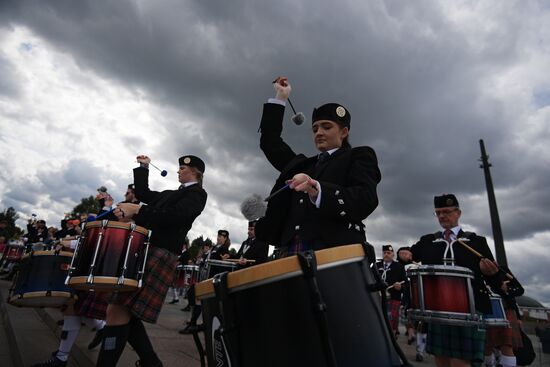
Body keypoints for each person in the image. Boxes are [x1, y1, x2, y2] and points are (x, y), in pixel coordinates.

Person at [95, 154, 207, 367]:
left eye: (183, 169)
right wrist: (143, 168)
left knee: (118, 307)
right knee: (125, 310)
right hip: (149, 250)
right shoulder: (171, 194)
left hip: (161, 253)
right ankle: (152, 362)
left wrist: (139, 210)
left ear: (195, 172)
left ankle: (149, 362)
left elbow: (176, 217)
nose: (178, 171)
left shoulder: (198, 194)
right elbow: (144, 193)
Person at [256, 76, 381, 255]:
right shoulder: (301, 165)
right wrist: (281, 97)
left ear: (344, 132)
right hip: (289, 253)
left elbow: (365, 199)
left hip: (335, 256)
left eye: (326, 127)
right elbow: (270, 142)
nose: (319, 133)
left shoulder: (359, 156)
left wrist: (316, 188)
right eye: (315, 129)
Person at [398, 194, 500, 367]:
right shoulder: (428, 241)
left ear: (458, 213)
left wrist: (490, 273)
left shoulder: (476, 242)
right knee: (442, 360)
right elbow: (408, 254)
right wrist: (403, 253)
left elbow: (494, 277)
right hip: (438, 309)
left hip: (469, 309)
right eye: (438, 213)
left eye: (446, 211)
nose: (442, 216)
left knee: (461, 363)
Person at [180, 230, 231, 334]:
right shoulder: (214, 247)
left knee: (201, 300)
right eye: (219, 236)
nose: (219, 238)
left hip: (212, 278)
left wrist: (226, 257)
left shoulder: (224, 249)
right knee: (196, 297)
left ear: (225, 239)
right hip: (205, 276)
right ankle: (195, 323)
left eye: (222, 237)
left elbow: (225, 261)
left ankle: (195, 324)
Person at [484, 266, 524, 367]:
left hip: (506, 311)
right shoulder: (475, 267)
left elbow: (520, 289)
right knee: (487, 345)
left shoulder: (502, 269)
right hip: (486, 310)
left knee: (507, 345)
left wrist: (507, 289)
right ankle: (490, 364)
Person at [376, 244, 407, 338]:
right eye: (384, 253)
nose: (386, 255)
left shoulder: (399, 266)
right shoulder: (376, 266)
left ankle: (393, 334)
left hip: (394, 296)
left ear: (393, 254)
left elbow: (405, 283)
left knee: (393, 316)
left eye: (389, 253)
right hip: (378, 296)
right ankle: (381, 333)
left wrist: (400, 286)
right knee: (379, 315)